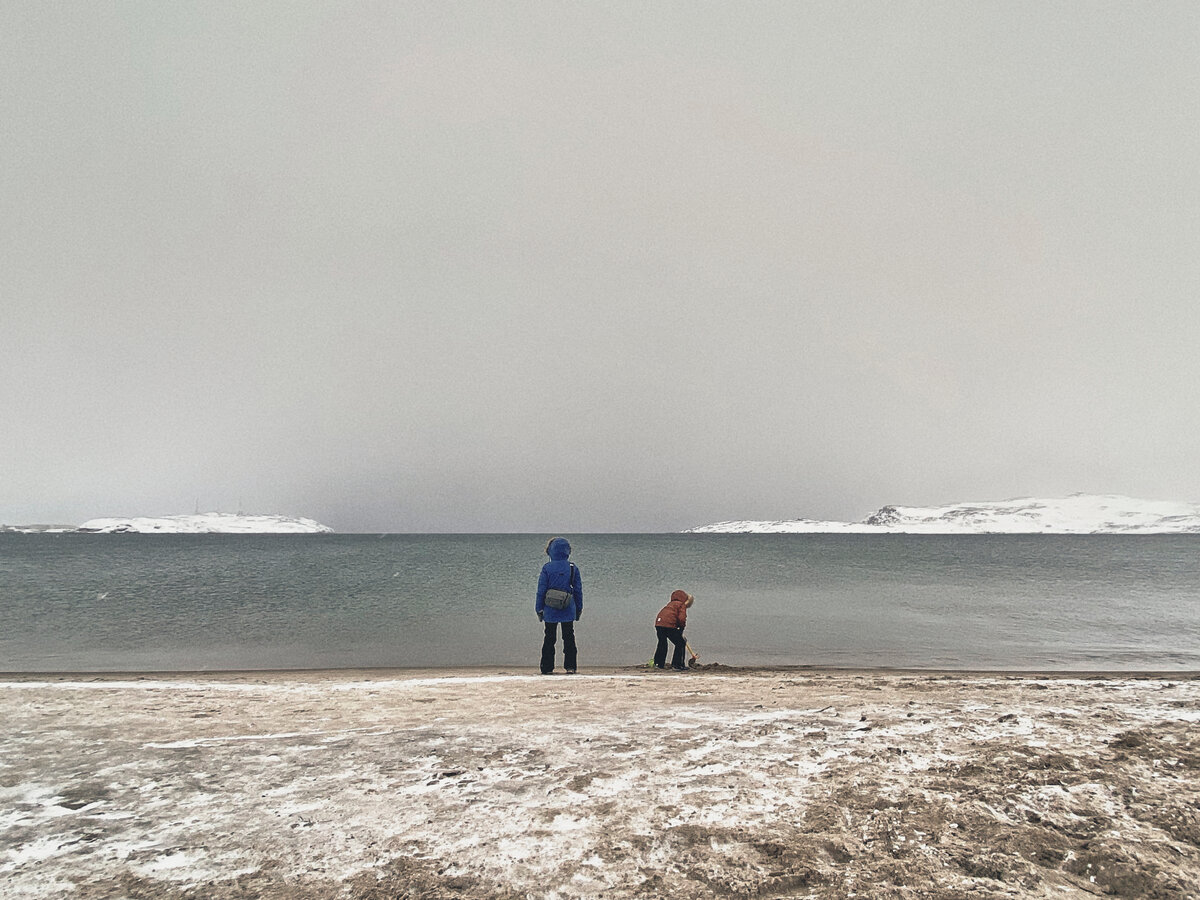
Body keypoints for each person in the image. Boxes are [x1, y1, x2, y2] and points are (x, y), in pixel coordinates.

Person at [536, 537, 582, 674]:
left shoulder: (547, 568)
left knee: (549, 638)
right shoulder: (572, 568)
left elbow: (541, 590)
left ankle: (547, 667)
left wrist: (538, 608)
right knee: (569, 637)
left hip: (550, 608)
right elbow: (578, 590)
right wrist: (579, 608)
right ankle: (571, 667)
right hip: (568, 607)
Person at [653, 589, 694, 670]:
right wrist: (681, 628)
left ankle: (658, 664)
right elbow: (682, 618)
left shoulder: (670, 604)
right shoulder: (681, 605)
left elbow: (667, 615)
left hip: (659, 624)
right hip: (669, 625)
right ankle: (677, 665)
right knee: (680, 643)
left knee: (662, 644)